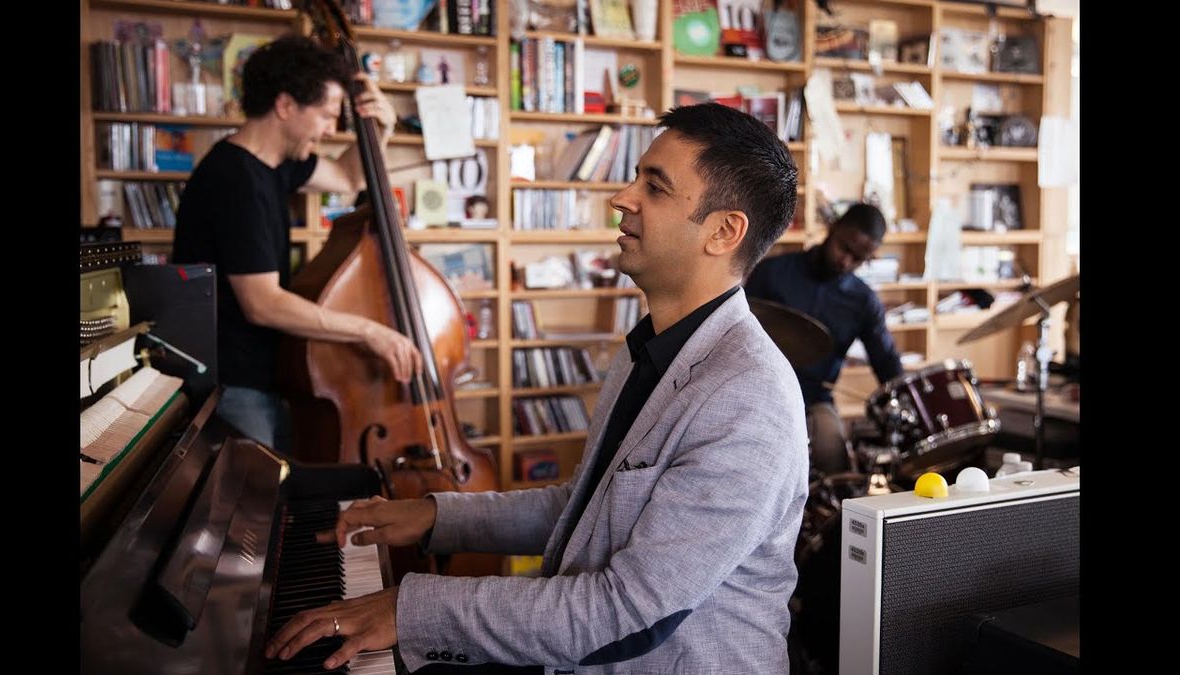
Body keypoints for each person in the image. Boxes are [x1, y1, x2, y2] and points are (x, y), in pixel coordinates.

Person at [265, 102, 808, 673]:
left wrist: (411, 608)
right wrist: (434, 516)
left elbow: (626, 614)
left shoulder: (749, 398)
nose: (622, 198)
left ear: (724, 232)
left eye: (655, 186)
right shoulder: (648, 348)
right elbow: (584, 509)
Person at [172, 35, 422, 454]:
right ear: (286, 106)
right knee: (254, 511)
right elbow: (263, 303)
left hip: (265, 377)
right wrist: (369, 332)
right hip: (232, 384)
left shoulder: (275, 165)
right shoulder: (234, 179)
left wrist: (381, 127)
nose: (330, 129)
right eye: (326, 115)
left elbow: (348, 178)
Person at [744, 202, 903, 475]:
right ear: (833, 228)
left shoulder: (864, 301)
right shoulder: (771, 274)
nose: (846, 261)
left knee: (833, 452)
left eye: (858, 259)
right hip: (757, 391)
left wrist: (902, 401)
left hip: (815, 399)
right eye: (844, 248)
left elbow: (886, 363)